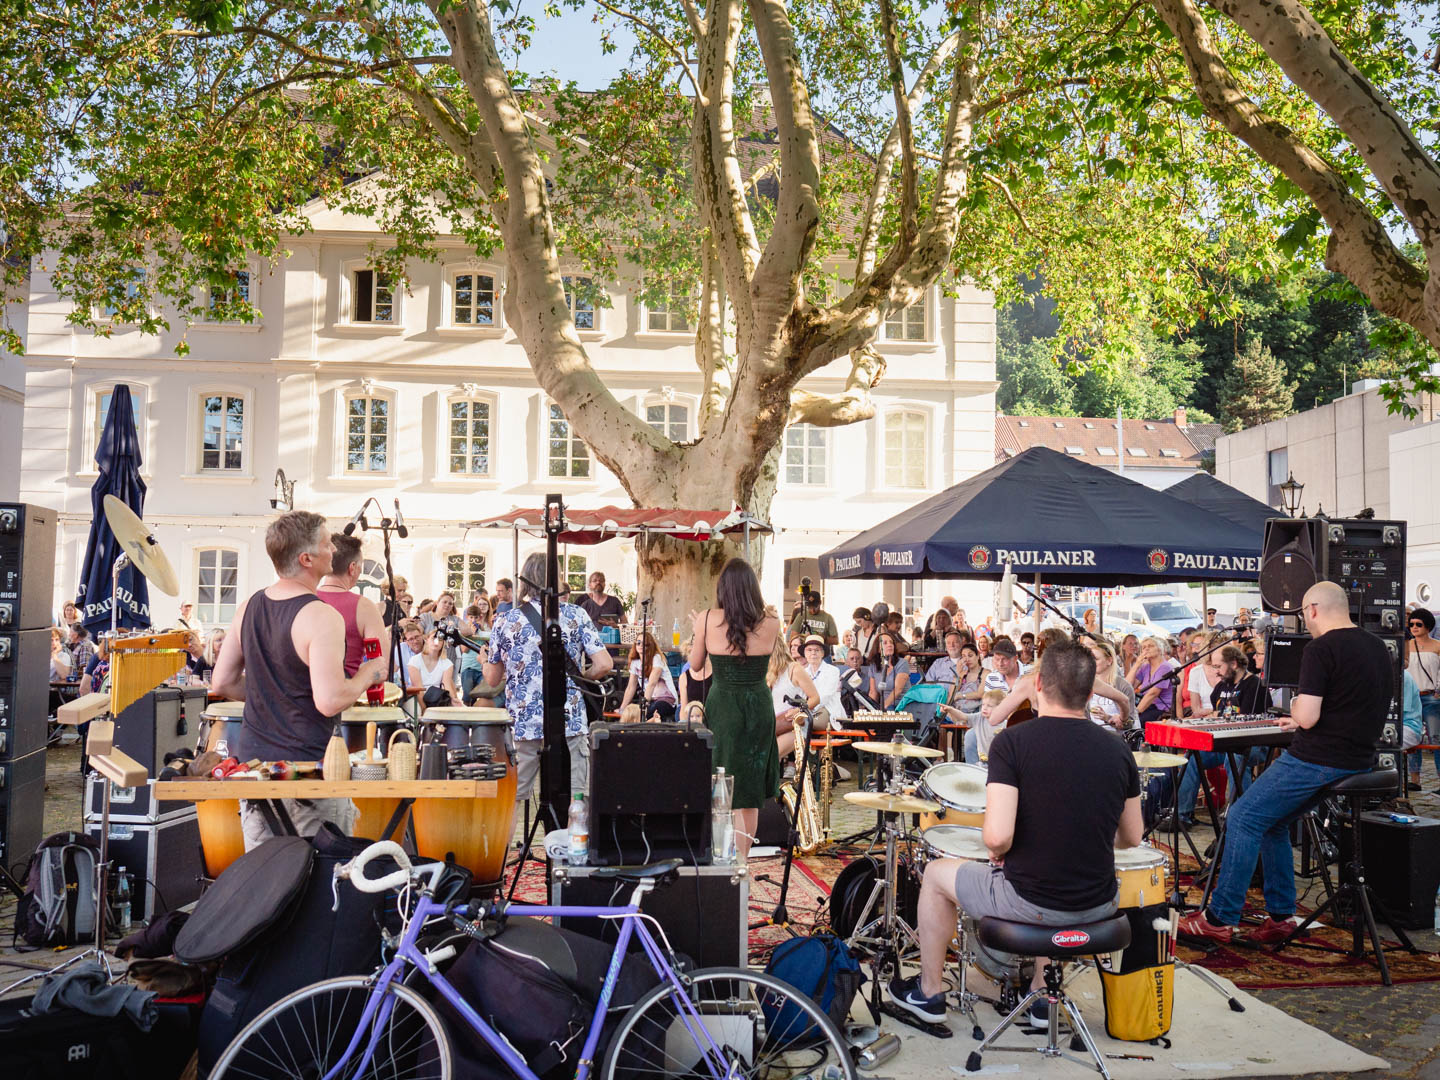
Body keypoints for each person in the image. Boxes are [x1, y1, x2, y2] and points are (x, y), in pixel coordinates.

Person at [890, 639, 1143, 1025]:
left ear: (1037, 685)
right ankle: (1042, 996)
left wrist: (1003, 847)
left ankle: (929, 993)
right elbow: (1131, 837)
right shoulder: (1117, 750)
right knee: (1052, 869)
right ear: (1091, 694)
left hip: (1032, 901)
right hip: (1100, 902)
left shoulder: (1013, 742)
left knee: (937, 876)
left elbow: (996, 838)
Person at [1179, 581, 1392, 944]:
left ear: (1312, 609)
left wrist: (1296, 711)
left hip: (1318, 757)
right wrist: (1305, 718)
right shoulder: (1377, 646)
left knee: (1243, 817)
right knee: (1273, 824)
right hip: (1359, 758)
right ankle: (1280, 917)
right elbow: (1352, 704)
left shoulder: (1321, 648)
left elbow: (1307, 715)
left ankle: (1219, 918)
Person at [210, 510, 388, 849]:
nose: (334, 551)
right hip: (307, 770)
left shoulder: (249, 605)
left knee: (267, 882)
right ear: (306, 558)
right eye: (326, 544)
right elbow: (330, 700)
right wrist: (368, 673)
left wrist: (274, 696)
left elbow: (222, 682)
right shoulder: (321, 615)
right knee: (320, 885)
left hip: (253, 768)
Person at [484, 554, 613, 806]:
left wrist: (483, 660)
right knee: (576, 798)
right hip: (569, 718)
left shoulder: (506, 620)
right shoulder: (576, 615)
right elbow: (605, 664)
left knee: (513, 800)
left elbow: (491, 680)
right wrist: (578, 678)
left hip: (524, 722)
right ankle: (569, 843)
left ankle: (508, 847)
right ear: (557, 579)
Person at [689, 558, 783, 859]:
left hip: (724, 706)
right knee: (750, 791)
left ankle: (721, 854)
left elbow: (695, 665)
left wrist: (696, 631)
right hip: (757, 706)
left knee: (721, 777)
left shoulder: (706, 618)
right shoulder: (771, 623)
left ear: (723, 588)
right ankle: (742, 860)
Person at [1173, 644, 1269, 826]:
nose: (1216, 672)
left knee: (1234, 759)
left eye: (1219, 666)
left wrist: (1219, 715)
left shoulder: (1254, 685)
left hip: (1251, 744)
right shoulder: (1223, 685)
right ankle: (1182, 814)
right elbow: (1214, 712)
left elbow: (1246, 719)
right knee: (1193, 756)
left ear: (1233, 664)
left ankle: (1241, 816)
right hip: (1224, 742)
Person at [316, 532, 389, 678]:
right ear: (352, 567)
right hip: (348, 691)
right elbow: (383, 664)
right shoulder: (364, 607)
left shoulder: (306, 599)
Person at [767, 632, 820, 761]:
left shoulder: (794, 669)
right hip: (772, 725)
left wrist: (798, 710)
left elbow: (815, 698)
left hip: (794, 725)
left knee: (771, 757)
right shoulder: (768, 671)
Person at [1406, 607, 1440, 781]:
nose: (1414, 627)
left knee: (1436, 738)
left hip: (1431, 697)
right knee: (1413, 736)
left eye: (1419, 624)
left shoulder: (1437, 646)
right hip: (1411, 698)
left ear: (1428, 626)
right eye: (1411, 624)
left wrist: (1438, 691)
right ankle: (1415, 779)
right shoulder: (1406, 645)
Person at [620, 631, 679, 721]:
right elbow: (630, 687)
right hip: (650, 700)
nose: (640, 646)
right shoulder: (635, 662)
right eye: (638, 643)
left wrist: (644, 707)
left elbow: (652, 684)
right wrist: (622, 709)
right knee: (631, 712)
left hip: (666, 700)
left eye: (645, 644)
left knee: (648, 712)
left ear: (650, 646)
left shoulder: (657, 658)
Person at [1127, 636, 1177, 724]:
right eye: (1144, 647)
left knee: (1135, 723)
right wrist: (1136, 665)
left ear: (1160, 649)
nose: (1146, 649)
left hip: (1162, 709)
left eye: (1150, 646)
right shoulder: (1145, 667)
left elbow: (1153, 693)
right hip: (1148, 706)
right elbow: (1128, 686)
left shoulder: (1165, 667)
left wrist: (1135, 713)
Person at [800, 634, 845, 725]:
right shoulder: (803, 672)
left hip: (828, 710)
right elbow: (800, 694)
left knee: (805, 723)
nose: (813, 653)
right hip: (807, 710)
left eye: (817, 650)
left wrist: (807, 708)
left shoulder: (833, 671)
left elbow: (825, 696)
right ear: (805, 653)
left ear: (823, 653)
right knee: (795, 721)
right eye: (809, 650)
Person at [872, 632, 913, 710]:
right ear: (878, 649)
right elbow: (873, 692)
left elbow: (898, 690)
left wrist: (883, 708)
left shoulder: (902, 663)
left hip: (902, 706)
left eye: (891, 642)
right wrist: (871, 710)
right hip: (885, 707)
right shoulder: (873, 666)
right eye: (885, 643)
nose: (889, 645)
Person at [838, 646, 877, 712]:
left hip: (864, 710)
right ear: (846, 661)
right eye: (852, 658)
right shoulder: (841, 677)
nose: (855, 661)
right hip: (845, 709)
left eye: (857, 658)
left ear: (861, 660)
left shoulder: (868, 678)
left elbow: (872, 696)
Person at [679, 637, 712, 713]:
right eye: (691, 652)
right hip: (693, 718)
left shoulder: (717, 673)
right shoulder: (684, 677)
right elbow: (684, 708)